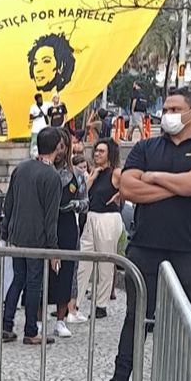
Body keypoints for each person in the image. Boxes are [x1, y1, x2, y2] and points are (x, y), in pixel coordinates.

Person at [92, 88, 191, 381]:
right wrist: (181, 186)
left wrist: (154, 178)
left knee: (187, 319)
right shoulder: (146, 146)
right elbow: (129, 188)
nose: (166, 114)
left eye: (174, 108)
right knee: (136, 317)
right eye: (165, 108)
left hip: (190, 249)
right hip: (145, 246)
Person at [1, 126, 62, 346]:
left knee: (18, 278)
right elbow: (51, 217)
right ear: (58, 147)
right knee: (34, 282)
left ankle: (6, 324)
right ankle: (30, 329)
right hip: (37, 238)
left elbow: (9, 202)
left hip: (17, 233)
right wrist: (54, 249)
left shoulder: (21, 168)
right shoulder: (52, 177)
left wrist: (6, 230)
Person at [76, 138, 122, 321]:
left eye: (101, 151)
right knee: (83, 261)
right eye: (96, 151)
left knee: (105, 262)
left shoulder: (116, 172)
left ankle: (101, 304)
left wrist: (120, 194)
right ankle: (75, 301)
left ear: (109, 153)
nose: (97, 154)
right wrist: (92, 177)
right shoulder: (93, 172)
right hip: (91, 216)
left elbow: (130, 184)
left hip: (108, 218)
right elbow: (83, 193)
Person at [49, 129, 87, 337]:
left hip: (66, 223)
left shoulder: (76, 175)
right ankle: (35, 315)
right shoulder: (43, 171)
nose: (59, 151)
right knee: (41, 270)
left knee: (67, 271)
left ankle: (61, 318)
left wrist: (74, 205)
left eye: (62, 146)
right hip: (46, 223)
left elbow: (85, 202)